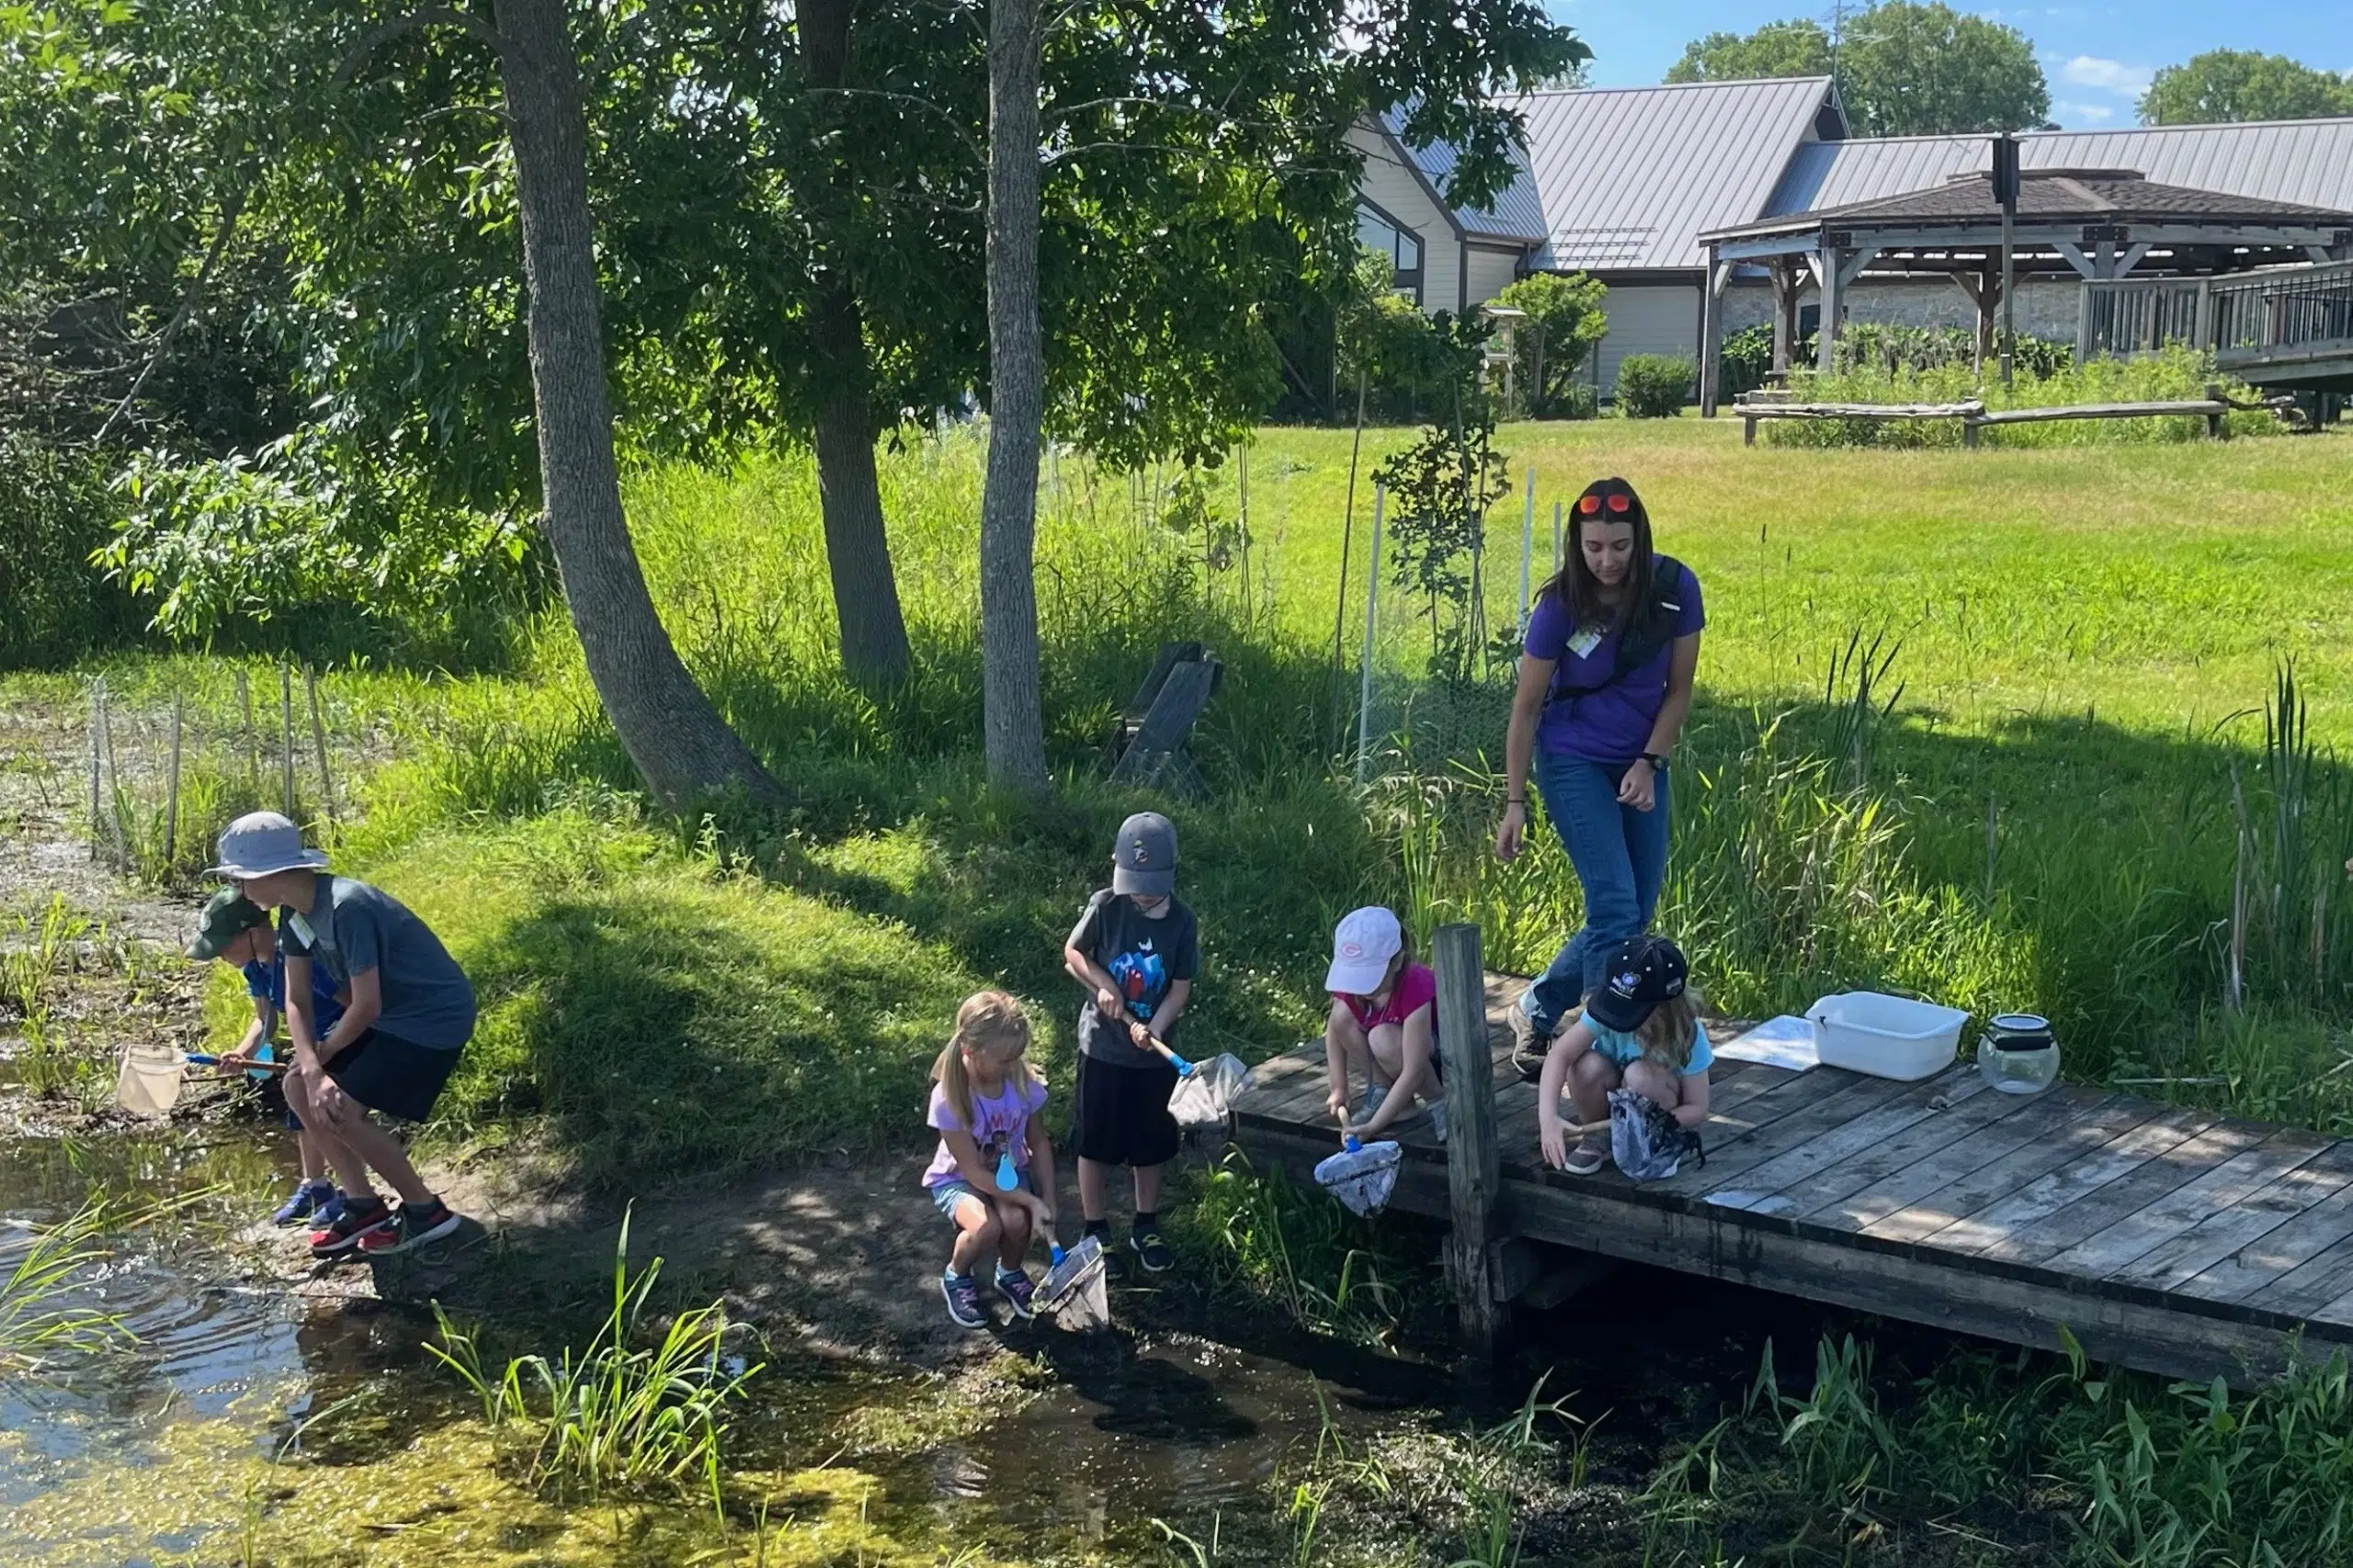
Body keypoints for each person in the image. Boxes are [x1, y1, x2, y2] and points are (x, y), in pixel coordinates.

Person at [1496, 476, 1704, 1080]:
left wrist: (1650, 761)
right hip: (1573, 760)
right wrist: (1515, 801)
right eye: (1594, 549)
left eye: (1619, 546)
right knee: (1614, 905)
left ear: (1639, 539)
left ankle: (1538, 1006)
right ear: (1576, 547)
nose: (1607, 560)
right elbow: (1526, 708)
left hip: (1642, 760)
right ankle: (1599, 1047)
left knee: (1635, 911)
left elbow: (1680, 690)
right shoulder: (1560, 605)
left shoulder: (1674, 589)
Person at [209, 811, 475, 1258]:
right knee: (296, 1084)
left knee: (339, 1108)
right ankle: (362, 1203)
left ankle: (427, 1212)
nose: (238, 889)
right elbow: (296, 1000)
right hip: (386, 1019)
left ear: (270, 874)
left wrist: (324, 1060)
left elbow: (366, 1002)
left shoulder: (347, 907)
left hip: (430, 1020)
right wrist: (311, 1066)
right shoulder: (294, 912)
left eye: (239, 879)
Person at [1062, 811, 1197, 1274]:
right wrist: (1101, 984)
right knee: (1095, 1141)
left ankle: (1145, 1222)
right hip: (1102, 1049)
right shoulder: (1105, 907)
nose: (1141, 891)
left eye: (1151, 883)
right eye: (1134, 880)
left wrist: (1156, 1027)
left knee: (1150, 1143)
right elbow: (1074, 954)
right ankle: (1096, 1227)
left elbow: (1179, 988)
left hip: (1152, 1058)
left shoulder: (1182, 922)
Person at [185, 887, 350, 1227]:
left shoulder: (299, 958)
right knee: (300, 1115)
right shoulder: (255, 968)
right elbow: (265, 1018)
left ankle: (353, 1191)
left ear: (251, 933)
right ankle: (316, 1185)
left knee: (328, 1114)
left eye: (223, 948)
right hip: (311, 1046)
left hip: (342, 1040)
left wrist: (332, 1045)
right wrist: (242, 1052)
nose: (220, 957)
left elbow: (351, 1000)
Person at [923, 991, 1057, 1328]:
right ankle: (957, 1276)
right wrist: (1029, 1198)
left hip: (1009, 1172)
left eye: (1018, 1056)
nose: (1014, 1065)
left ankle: (1009, 1273)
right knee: (985, 1226)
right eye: (1005, 1059)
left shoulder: (1021, 1084)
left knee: (1017, 1223)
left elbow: (1038, 1142)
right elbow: (973, 1172)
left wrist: (1048, 1201)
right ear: (971, 1051)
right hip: (959, 1179)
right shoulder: (950, 1099)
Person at [1537, 934, 1711, 1176]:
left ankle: (1653, 1144)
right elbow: (1560, 1055)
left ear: (1665, 1008)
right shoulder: (1610, 1009)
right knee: (1584, 1065)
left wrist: (1663, 1121)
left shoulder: (1688, 1034)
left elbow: (1698, 1107)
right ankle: (1597, 1137)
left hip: (1657, 1112)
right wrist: (1548, 1119)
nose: (1617, 1014)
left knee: (1639, 1075)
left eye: (1629, 1010)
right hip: (1613, 1100)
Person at [1319, 906, 1445, 1141]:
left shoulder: (1415, 984)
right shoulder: (1354, 988)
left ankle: (1439, 1102)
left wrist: (1375, 1126)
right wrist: (1339, 1086)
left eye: (1368, 977)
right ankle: (1386, 1090)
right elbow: (1334, 1030)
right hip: (1394, 1056)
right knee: (1340, 1015)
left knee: (1382, 1038)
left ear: (1396, 962)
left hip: (1433, 1060)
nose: (1360, 987)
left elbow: (1413, 1071)